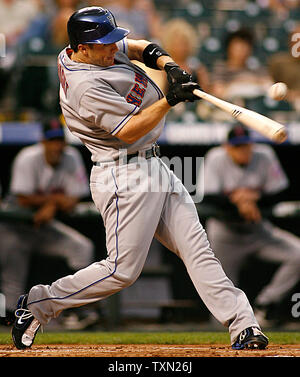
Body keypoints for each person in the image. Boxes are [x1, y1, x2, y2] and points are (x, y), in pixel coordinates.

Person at [11, 6, 268, 351]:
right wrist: (170, 100)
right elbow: (130, 130)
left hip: (153, 165)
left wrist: (168, 64)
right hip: (123, 173)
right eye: (103, 44)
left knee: (198, 250)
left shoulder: (83, 50)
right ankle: (40, 303)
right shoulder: (84, 86)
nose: (111, 48)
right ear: (81, 49)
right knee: (121, 271)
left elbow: (135, 46)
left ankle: (244, 324)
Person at [200, 123, 300, 326]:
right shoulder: (216, 157)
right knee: (222, 294)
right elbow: (208, 198)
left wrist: (253, 198)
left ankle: (266, 304)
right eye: (237, 146)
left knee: (297, 255)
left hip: (258, 231)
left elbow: (280, 192)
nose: (243, 150)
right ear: (227, 147)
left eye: (246, 145)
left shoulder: (264, 155)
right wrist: (239, 202)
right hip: (225, 234)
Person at [1, 117, 95, 326]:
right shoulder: (28, 157)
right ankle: (9, 320)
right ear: (42, 141)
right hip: (14, 227)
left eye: (59, 141)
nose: (56, 146)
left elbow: (75, 196)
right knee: (13, 275)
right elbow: (23, 198)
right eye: (51, 141)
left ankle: (77, 310)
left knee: (81, 247)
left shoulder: (70, 157)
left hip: (43, 226)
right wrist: (54, 201)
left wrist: (52, 205)